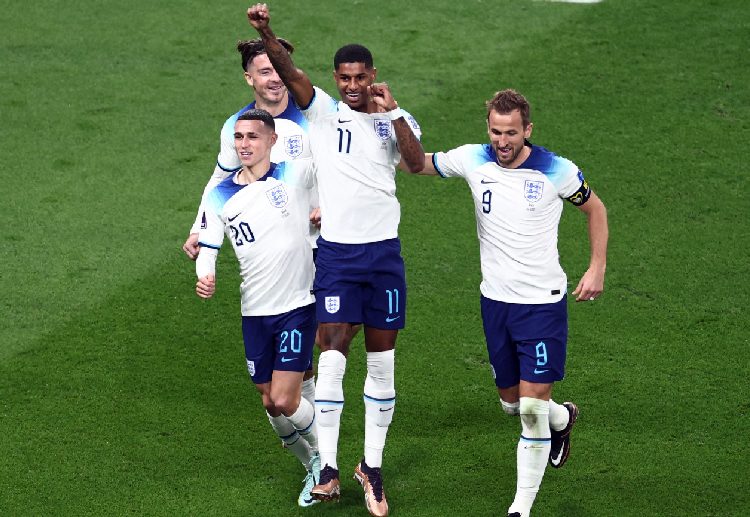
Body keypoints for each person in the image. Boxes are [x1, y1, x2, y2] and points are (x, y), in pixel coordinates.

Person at [248, 4, 425, 516]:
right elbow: (290, 72)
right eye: (344, 77)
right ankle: (327, 469)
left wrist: (390, 112)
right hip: (339, 257)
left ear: (373, 74)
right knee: (330, 357)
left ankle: (371, 465)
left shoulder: (396, 118)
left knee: (382, 364)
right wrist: (266, 33)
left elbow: (415, 165)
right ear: (336, 78)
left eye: (359, 77)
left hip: (384, 255)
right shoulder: (323, 111)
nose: (351, 85)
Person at [421, 89, 608, 517]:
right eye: (495, 131)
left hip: (542, 305)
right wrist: (382, 123)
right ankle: (562, 419)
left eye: (511, 133)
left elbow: (595, 209)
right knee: (510, 401)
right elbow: (418, 163)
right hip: (495, 303)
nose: (502, 141)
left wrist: (596, 267)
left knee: (529, 407)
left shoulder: (555, 170)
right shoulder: (473, 158)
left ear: (528, 130)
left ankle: (520, 508)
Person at [181, 36, 319, 409]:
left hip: (322, 240)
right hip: (275, 246)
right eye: (265, 72)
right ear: (249, 79)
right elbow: (220, 180)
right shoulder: (238, 128)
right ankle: (310, 430)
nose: (275, 78)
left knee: (325, 338)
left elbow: (340, 163)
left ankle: (322, 440)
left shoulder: (311, 109)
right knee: (296, 368)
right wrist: (200, 226)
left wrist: (334, 210)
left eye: (279, 69)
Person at [195, 108, 321, 508]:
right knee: (269, 401)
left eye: (252, 137)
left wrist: (327, 210)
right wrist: (206, 273)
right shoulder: (221, 193)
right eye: (239, 137)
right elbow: (208, 243)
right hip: (255, 310)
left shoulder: (294, 174)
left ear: (271, 140)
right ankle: (312, 465)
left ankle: (328, 459)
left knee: (286, 399)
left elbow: (338, 180)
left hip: (298, 304)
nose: (244, 144)